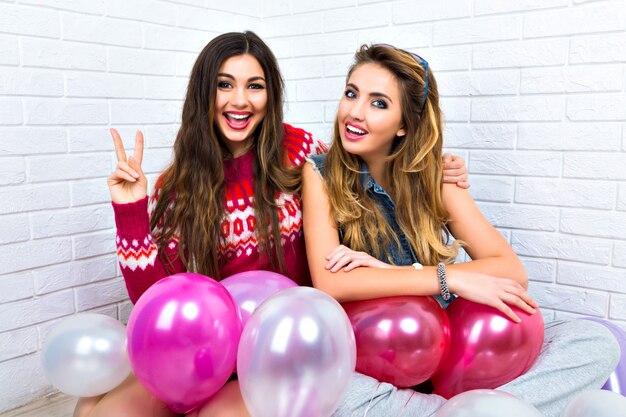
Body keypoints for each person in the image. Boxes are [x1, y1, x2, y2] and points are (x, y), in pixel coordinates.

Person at [74, 32, 469, 417]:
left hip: (284, 348)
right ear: (203, 94)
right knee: (93, 410)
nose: (240, 101)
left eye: (255, 86)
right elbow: (159, 306)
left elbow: (365, 165)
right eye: (224, 85)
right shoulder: (177, 187)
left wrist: (433, 165)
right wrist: (130, 214)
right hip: (211, 351)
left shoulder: (300, 152)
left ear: (271, 94)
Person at [300, 43, 620, 417]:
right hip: (378, 363)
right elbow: (330, 282)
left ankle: (452, 411)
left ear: (405, 124)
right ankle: (470, 410)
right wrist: (448, 277)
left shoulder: (438, 176)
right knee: (338, 392)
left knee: (595, 342)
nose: (354, 112)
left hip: (454, 349)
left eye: (379, 103)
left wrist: (401, 274)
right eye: (351, 93)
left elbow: (510, 271)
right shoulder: (319, 173)